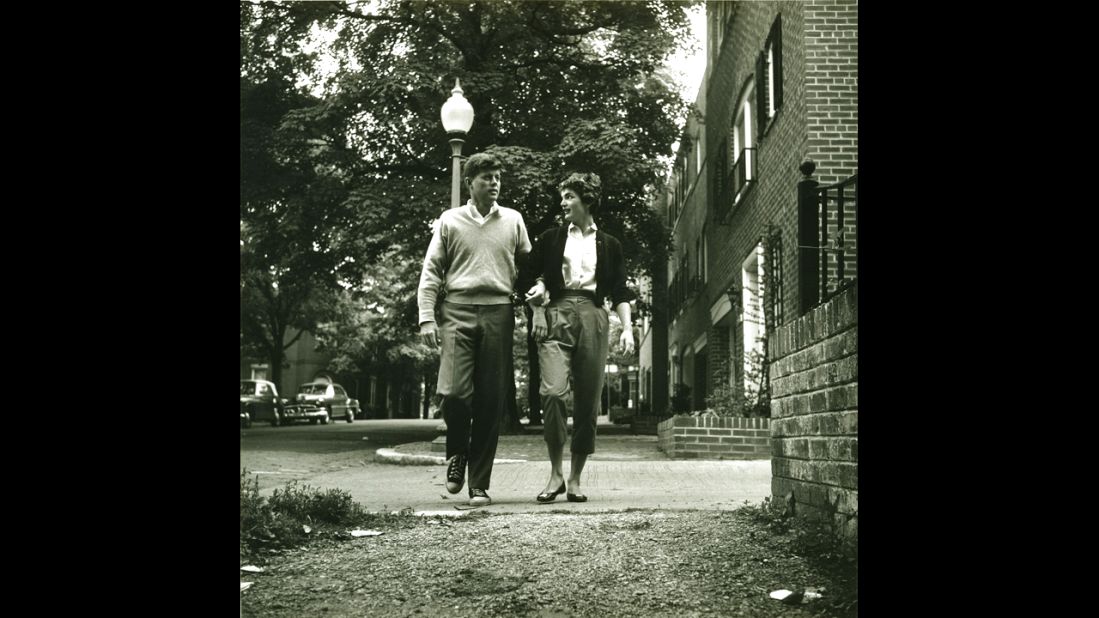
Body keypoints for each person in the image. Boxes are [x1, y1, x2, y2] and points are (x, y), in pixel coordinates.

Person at [418, 152, 532, 507]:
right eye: (486, 177)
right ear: (469, 183)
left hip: (499, 311)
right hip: (457, 310)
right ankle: (457, 453)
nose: (494, 183)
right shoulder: (450, 221)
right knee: (453, 391)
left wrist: (538, 292)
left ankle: (479, 483)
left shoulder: (513, 220)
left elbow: (528, 266)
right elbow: (432, 270)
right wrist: (426, 315)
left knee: (490, 401)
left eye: (497, 177)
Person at [522, 172, 634, 503]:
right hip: (555, 314)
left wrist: (627, 328)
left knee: (588, 400)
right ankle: (555, 472)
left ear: (587, 199)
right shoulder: (551, 238)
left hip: (594, 316)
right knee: (553, 392)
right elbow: (531, 279)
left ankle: (574, 478)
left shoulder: (610, 244)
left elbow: (620, 291)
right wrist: (539, 311)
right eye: (563, 197)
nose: (563, 202)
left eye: (569, 196)